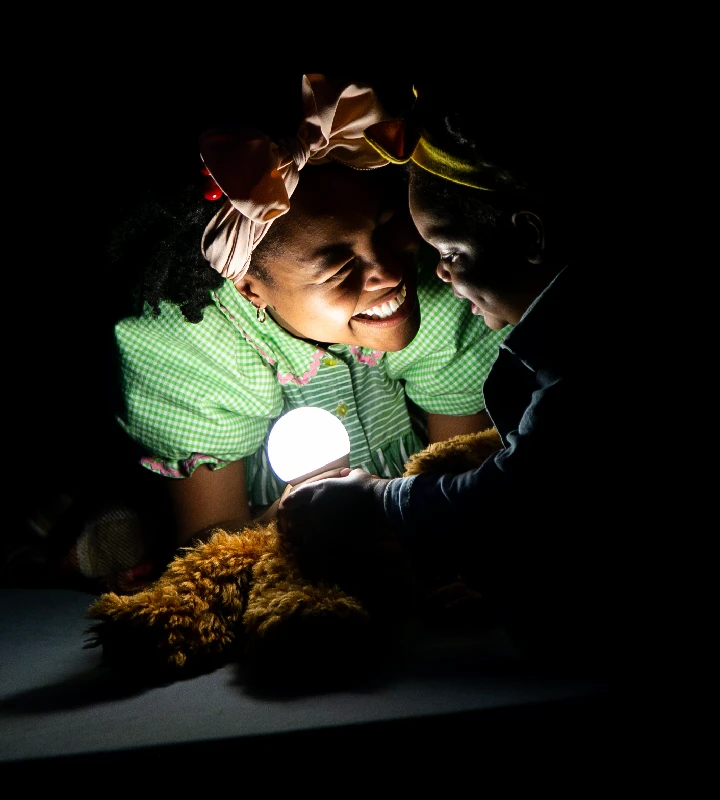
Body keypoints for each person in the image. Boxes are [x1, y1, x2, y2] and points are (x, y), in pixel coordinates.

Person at [4, 73, 506, 594]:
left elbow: (457, 491)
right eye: (336, 268)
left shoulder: (445, 291)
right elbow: (209, 546)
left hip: (399, 500)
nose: (387, 271)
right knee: (131, 540)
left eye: (385, 225)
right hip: (264, 517)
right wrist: (297, 521)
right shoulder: (195, 349)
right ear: (250, 289)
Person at [277, 73, 619, 674]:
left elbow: (517, 503)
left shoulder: (591, 370)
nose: (440, 275)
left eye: (451, 253)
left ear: (529, 236)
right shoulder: (558, 354)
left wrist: (381, 503)